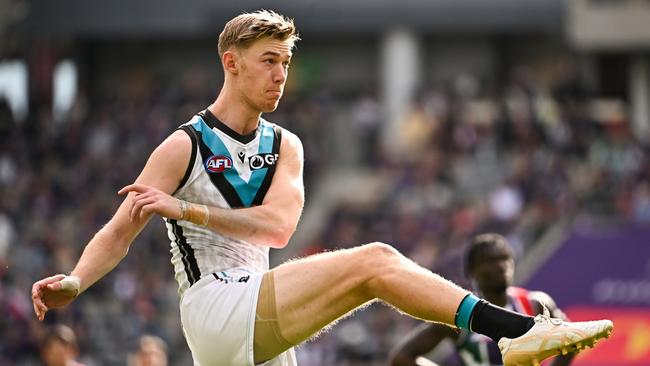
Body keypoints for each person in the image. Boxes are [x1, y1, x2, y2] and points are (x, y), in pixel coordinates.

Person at [31, 10, 613, 366]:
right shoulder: (182, 145)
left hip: (259, 308)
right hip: (215, 309)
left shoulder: (287, 145)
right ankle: (516, 333)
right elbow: (118, 231)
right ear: (230, 63)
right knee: (377, 262)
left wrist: (186, 209)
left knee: (371, 280)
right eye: (268, 61)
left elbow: (278, 229)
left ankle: (515, 337)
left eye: (286, 61)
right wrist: (77, 281)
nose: (281, 74)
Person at [389, 234, 576, 366]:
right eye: (490, 260)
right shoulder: (458, 315)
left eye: (505, 258)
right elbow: (402, 357)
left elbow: (571, 340)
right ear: (471, 271)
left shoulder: (535, 304)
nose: (500, 265)